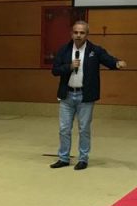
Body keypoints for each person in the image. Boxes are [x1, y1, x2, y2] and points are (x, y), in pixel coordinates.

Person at [50, 21, 127, 170]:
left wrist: (117, 63)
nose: (78, 35)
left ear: (87, 35)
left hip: (85, 96)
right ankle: (63, 158)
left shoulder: (94, 50)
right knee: (64, 129)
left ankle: (83, 159)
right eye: (76, 32)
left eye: (82, 33)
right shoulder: (64, 50)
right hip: (67, 96)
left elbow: (108, 60)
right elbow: (55, 70)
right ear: (71, 34)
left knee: (84, 129)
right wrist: (69, 66)